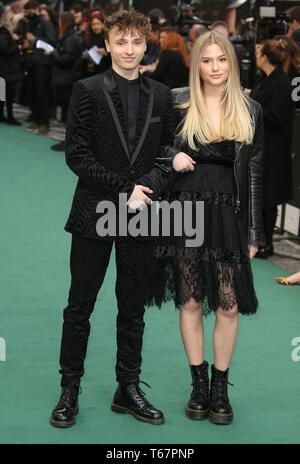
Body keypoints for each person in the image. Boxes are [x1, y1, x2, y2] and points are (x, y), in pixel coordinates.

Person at [49, 8, 176, 428]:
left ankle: (128, 387)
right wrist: (126, 189)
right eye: (121, 42)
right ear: (107, 44)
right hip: (96, 210)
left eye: (136, 42)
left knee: (133, 305)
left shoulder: (161, 94)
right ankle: (69, 388)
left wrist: (149, 187)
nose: (128, 49)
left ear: (147, 45)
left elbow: (167, 153)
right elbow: (77, 154)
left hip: (141, 212)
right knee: (79, 304)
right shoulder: (86, 89)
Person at [147, 30, 265, 425]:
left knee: (228, 303)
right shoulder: (178, 102)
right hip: (185, 210)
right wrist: (174, 154)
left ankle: (219, 386)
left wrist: (255, 232)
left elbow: (254, 173)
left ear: (232, 63)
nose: (215, 68)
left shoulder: (249, 109)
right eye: (207, 60)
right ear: (196, 63)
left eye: (222, 60)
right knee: (191, 300)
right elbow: (154, 147)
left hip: (227, 213)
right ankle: (198, 384)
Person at [251, 39, 294, 258]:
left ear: (266, 57)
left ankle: (266, 243)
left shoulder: (281, 83)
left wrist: (252, 106)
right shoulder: (266, 79)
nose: (256, 56)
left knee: (269, 197)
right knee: (261, 195)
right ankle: (260, 240)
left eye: (259, 52)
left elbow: (276, 117)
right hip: (263, 147)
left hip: (274, 150)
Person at [16, 0, 56, 135]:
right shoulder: (28, 24)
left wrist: (35, 40)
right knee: (33, 93)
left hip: (42, 64)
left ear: (37, 9)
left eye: (31, 11)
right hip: (30, 62)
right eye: (27, 12)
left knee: (41, 94)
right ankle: (35, 120)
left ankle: (44, 123)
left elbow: (51, 42)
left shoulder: (45, 23)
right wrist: (25, 42)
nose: (29, 14)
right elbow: (23, 39)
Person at [45, 12, 82, 152]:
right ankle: (68, 140)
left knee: (68, 113)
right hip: (66, 78)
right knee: (67, 112)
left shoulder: (70, 39)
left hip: (67, 79)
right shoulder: (69, 37)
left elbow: (65, 60)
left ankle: (70, 142)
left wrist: (53, 53)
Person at [0, 10, 22, 125]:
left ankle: (5, 116)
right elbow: (5, 50)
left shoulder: (5, 34)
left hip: (6, 70)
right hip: (7, 70)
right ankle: (9, 116)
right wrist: (16, 44)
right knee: (7, 95)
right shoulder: (4, 34)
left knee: (4, 95)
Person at [81, 12, 111, 78]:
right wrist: (86, 57)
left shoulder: (108, 38)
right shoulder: (88, 37)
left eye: (98, 24)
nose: (95, 26)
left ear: (103, 24)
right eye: (93, 24)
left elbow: (114, 58)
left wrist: (106, 53)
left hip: (104, 73)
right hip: (90, 73)